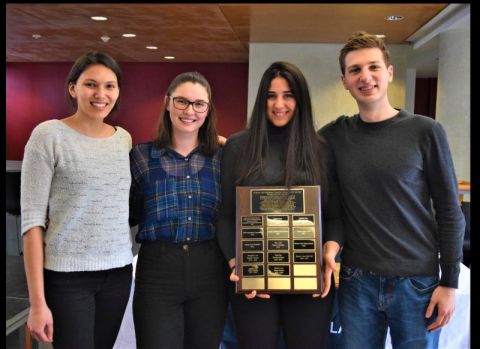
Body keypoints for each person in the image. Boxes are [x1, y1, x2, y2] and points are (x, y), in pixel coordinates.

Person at [319, 31, 466, 349]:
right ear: (344, 80)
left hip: (418, 284)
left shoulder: (425, 131)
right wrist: (226, 146)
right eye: (355, 70)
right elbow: (290, 149)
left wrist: (449, 282)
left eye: (373, 67)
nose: (365, 77)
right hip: (357, 283)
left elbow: (450, 211)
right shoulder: (333, 136)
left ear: (389, 72)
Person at [217, 61, 343, 349]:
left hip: (307, 279)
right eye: (271, 96)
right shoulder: (238, 147)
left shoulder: (321, 149)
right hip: (254, 281)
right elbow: (225, 217)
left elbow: (335, 217)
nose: (279, 104)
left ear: (300, 100)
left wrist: (329, 255)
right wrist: (237, 264)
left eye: (288, 95)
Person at [21, 52, 133, 348]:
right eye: (91, 85)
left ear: (118, 91)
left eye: (110, 86)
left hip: (118, 274)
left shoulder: (124, 139)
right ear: (73, 88)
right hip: (67, 278)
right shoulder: (48, 136)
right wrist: (36, 303)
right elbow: (32, 222)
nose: (101, 94)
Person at [129, 71, 229, 349]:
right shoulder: (139, 156)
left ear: (208, 111)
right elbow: (126, 213)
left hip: (210, 269)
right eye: (182, 101)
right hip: (157, 270)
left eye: (199, 104)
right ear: (167, 103)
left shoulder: (224, 158)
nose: (190, 111)